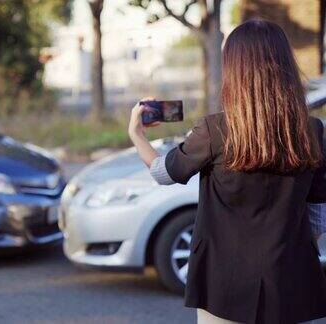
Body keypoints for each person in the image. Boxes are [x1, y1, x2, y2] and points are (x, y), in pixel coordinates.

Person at [128, 20, 326, 324]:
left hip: (224, 287)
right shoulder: (312, 130)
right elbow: (318, 216)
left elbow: (162, 172)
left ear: (235, 69)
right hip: (293, 284)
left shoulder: (214, 130)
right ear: (286, 64)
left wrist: (138, 135)